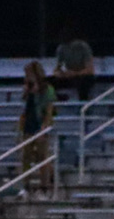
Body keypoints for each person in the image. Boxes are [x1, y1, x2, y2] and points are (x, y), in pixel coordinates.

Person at [18, 62, 56, 195]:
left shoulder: (47, 90)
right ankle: (26, 184)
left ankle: (45, 184)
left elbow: (49, 111)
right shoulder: (28, 89)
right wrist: (28, 90)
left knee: (42, 156)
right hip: (29, 123)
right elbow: (24, 104)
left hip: (40, 123)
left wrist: (44, 127)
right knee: (26, 155)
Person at [52, 25, 95, 101]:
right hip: (69, 76)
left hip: (82, 75)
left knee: (85, 81)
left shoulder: (84, 47)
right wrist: (60, 74)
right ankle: (57, 99)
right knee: (51, 82)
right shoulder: (61, 48)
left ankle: (83, 102)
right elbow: (57, 68)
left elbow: (89, 70)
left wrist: (75, 73)